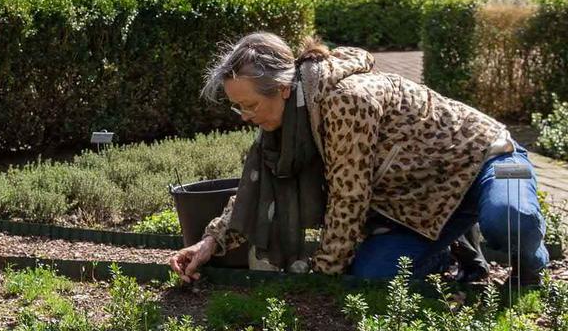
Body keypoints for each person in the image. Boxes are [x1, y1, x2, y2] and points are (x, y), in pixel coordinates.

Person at [169, 32, 548, 282]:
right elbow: (257, 193)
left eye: (249, 105)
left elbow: (350, 197)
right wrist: (209, 243)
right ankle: (450, 246)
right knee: (372, 277)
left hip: (490, 158)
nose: (246, 117)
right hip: (422, 204)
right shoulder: (290, 125)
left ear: (282, 90)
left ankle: (533, 261)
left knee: (509, 219)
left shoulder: (346, 101)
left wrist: (323, 280)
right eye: (238, 108)